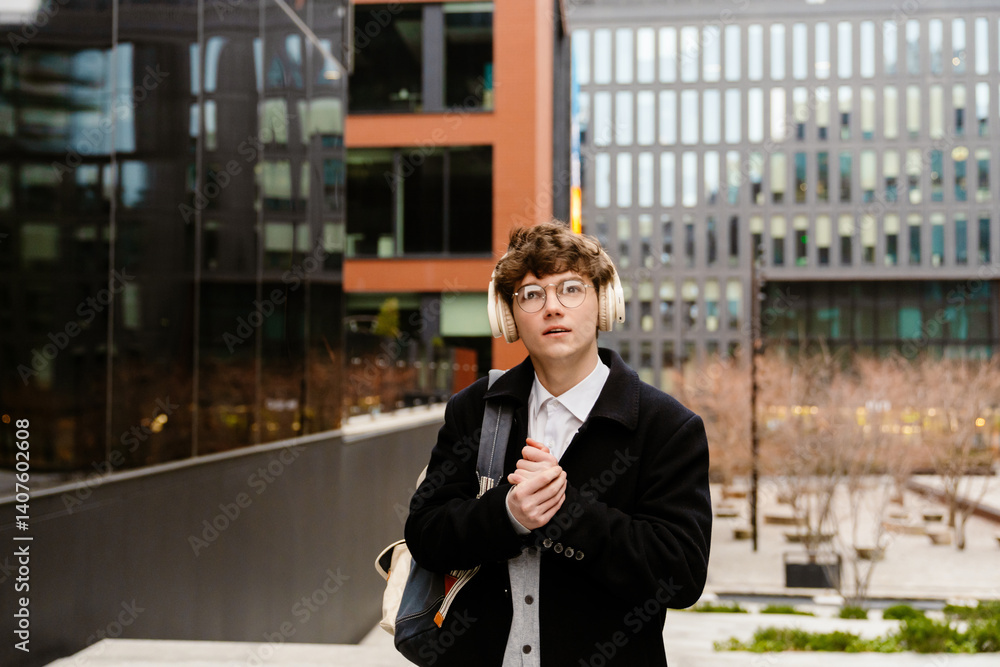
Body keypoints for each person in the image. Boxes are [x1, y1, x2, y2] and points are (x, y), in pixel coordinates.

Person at [404, 221, 712, 666]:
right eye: (532, 294)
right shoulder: (475, 409)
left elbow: (680, 575)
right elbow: (424, 532)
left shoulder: (667, 426)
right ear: (508, 317)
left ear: (604, 304)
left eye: (571, 289)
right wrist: (507, 514)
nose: (552, 307)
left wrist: (566, 514)